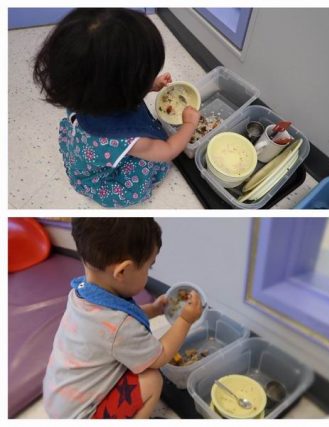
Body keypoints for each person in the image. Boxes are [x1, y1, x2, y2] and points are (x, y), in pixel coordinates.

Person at [33, 9, 200, 207]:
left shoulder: (82, 92)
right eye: (145, 76)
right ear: (127, 87)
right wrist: (189, 124)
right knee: (147, 167)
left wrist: (149, 85)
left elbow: (113, 86)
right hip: (102, 179)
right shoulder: (132, 139)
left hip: (86, 149)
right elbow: (168, 150)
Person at [43, 218, 203, 418]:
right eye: (148, 268)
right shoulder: (120, 324)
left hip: (58, 400)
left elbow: (113, 329)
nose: (148, 272)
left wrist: (153, 309)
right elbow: (159, 357)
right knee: (152, 379)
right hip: (83, 415)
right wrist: (185, 320)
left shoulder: (81, 293)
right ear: (123, 271)